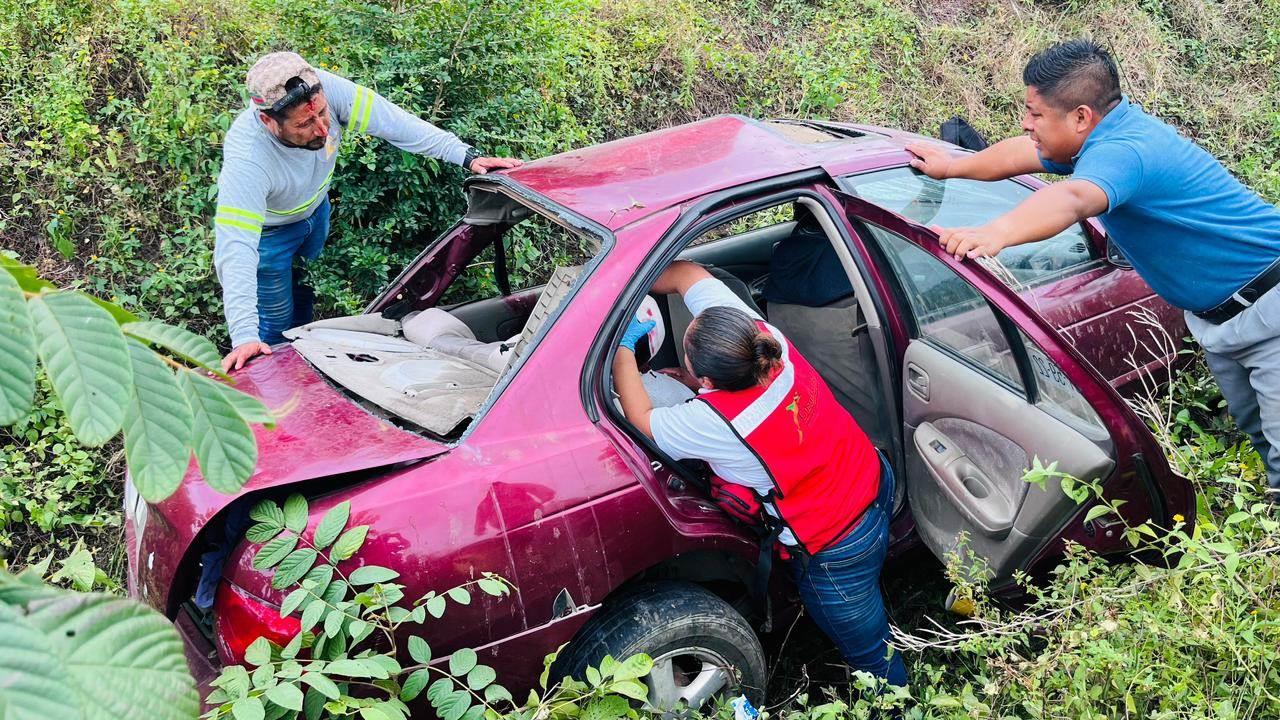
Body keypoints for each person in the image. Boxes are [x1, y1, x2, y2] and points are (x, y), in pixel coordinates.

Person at [906, 39, 1280, 499]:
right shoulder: (1099, 139)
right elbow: (1018, 155)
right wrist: (949, 168)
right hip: (1221, 319)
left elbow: (1071, 199)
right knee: (1259, 433)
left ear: (1081, 117)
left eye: (1035, 114)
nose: (1027, 124)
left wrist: (995, 234)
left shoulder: (1126, 152)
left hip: (1270, 306)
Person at [612, 260, 907, 686]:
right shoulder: (765, 342)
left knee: (872, 656)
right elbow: (687, 274)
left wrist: (622, 346)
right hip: (874, 480)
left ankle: (897, 703)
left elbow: (639, 416)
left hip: (834, 546)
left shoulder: (714, 425)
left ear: (708, 378)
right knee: (869, 595)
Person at [213, 51, 522, 372]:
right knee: (275, 322)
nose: (322, 129)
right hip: (271, 236)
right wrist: (244, 334)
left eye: (322, 114)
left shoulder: (324, 88)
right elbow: (236, 246)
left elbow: (393, 122)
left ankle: (298, 351)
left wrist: (466, 156)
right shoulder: (248, 159)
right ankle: (279, 383)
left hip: (315, 214)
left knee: (305, 292)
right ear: (268, 121)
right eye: (305, 123)